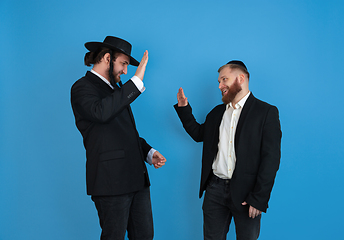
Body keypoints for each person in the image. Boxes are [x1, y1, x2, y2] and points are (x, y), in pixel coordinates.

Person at [71, 36, 166, 240]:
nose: (125, 70)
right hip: (111, 182)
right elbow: (101, 113)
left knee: (145, 236)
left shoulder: (117, 91)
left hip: (137, 179)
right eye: (123, 64)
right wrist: (136, 81)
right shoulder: (82, 87)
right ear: (107, 58)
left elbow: (124, 132)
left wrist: (148, 152)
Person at [174, 60, 281, 240]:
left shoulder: (266, 112)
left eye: (224, 79)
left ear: (241, 78)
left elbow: (271, 158)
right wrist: (184, 109)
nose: (220, 86)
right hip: (214, 190)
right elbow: (198, 134)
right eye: (218, 81)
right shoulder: (217, 112)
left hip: (247, 194)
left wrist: (259, 197)